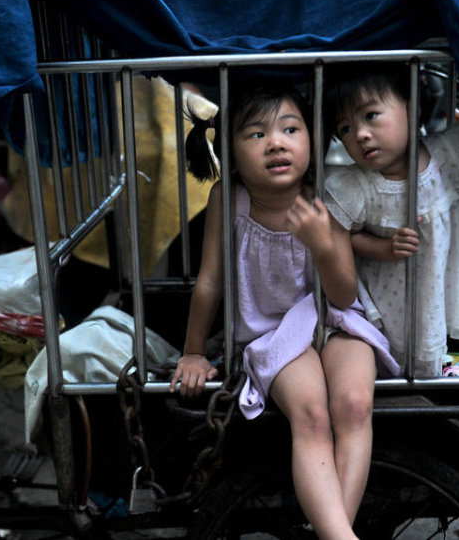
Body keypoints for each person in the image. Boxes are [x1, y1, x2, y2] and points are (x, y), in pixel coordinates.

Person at [169, 82, 400, 539]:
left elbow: (341, 294)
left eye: (290, 129)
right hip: (272, 334)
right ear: (230, 153)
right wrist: (193, 351)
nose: (275, 142)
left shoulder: (325, 195)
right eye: (255, 134)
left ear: (312, 141)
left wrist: (322, 245)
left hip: (336, 321)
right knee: (311, 413)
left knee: (354, 403)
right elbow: (210, 280)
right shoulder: (228, 198)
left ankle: (335, 532)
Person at [324, 65, 459, 377]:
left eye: (370, 116)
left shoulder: (450, 154)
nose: (361, 135)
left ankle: (430, 381)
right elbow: (343, 235)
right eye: (345, 129)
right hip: (386, 289)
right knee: (391, 353)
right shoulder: (357, 185)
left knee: (431, 334)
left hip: (436, 277)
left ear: (411, 105)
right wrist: (382, 247)